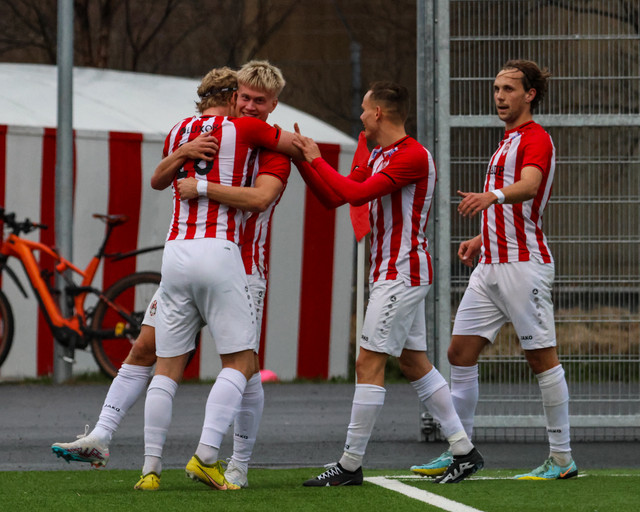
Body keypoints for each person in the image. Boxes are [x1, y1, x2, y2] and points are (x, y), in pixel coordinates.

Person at [52, 65, 300, 491]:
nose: (249, 106)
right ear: (234, 95)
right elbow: (170, 178)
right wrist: (187, 155)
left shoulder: (237, 137)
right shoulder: (236, 131)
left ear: (273, 104)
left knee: (232, 367)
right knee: (159, 352)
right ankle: (119, 441)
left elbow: (258, 197)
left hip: (231, 265)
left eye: (259, 101)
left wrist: (198, 181)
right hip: (217, 256)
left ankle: (229, 465)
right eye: (244, 97)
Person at [292, 81, 484, 486]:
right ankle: (464, 451)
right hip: (391, 272)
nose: (361, 116)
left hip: (402, 274)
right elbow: (336, 197)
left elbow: (357, 192)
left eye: (365, 109)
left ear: (378, 112)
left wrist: (316, 157)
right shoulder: (377, 152)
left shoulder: (412, 155)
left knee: (367, 362)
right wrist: (303, 162)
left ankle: (349, 465)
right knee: (413, 363)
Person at [411, 60, 577, 481]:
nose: (500, 96)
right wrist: (481, 238)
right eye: (496, 88)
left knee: (541, 358)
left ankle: (562, 459)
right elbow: (511, 211)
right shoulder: (507, 140)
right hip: (490, 266)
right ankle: (460, 449)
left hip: (523, 267)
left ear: (530, 95)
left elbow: (530, 186)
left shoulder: (535, 138)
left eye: (509, 89)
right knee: (459, 353)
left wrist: (492, 196)